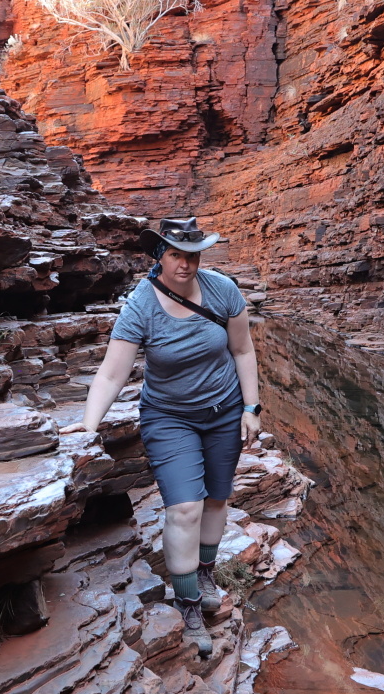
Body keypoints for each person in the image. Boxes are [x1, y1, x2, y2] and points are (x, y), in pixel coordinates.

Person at [80, 216, 263, 656]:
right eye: (177, 255)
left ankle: (204, 574)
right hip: (169, 418)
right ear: (160, 255)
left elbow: (243, 349)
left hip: (224, 413)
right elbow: (112, 373)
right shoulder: (140, 305)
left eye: (193, 255)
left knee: (216, 499)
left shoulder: (222, 290)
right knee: (184, 508)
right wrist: (88, 427)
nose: (186, 264)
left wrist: (251, 408)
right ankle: (189, 605)